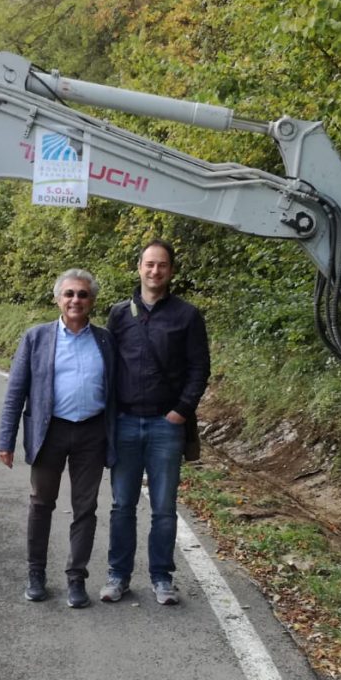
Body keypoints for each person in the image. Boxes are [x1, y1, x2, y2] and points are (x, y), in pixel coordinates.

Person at [0, 269, 117, 608]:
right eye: (69, 294)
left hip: (92, 432)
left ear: (92, 301)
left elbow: (116, 393)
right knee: (41, 504)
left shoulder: (106, 340)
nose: (75, 300)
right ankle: (36, 574)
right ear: (57, 299)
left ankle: (76, 579)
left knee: (86, 507)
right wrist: (5, 439)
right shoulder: (36, 337)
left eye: (82, 294)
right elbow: (15, 391)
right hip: (49, 431)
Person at [101, 239, 209, 606]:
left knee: (164, 507)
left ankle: (162, 578)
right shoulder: (118, 314)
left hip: (166, 425)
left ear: (171, 271)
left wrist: (181, 409)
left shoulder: (187, 316)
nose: (155, 271)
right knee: (122, 506)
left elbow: (199, 368)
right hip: (126, 422)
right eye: (149, 264)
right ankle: (118, 576)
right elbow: (108, 367)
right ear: (139, 267)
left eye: (162, 265)